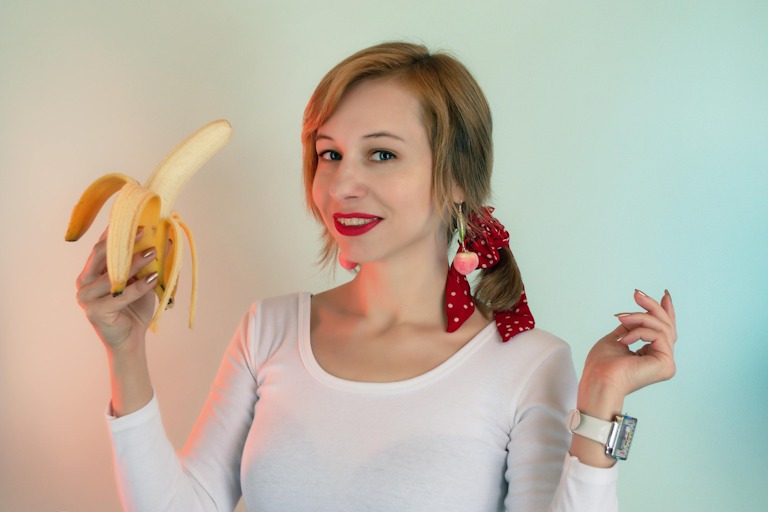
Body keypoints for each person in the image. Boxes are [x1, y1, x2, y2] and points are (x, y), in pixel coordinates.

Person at [75, 42, 677, 511]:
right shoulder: (269, 329)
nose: (340, 184)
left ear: (459, 178)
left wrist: (600, 407)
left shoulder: (527, 363)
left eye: (381, 154)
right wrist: (125, 351)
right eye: (329, 153)